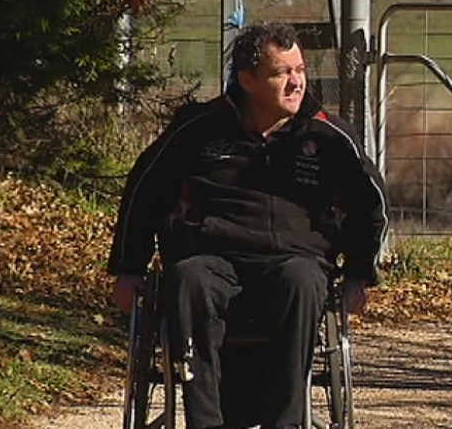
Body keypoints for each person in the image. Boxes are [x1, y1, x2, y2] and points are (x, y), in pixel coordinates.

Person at [107, 22, 389, 429]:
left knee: (303, 280)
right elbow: (144, 192)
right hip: (210, 256)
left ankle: (287, 423)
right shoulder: (199, 128)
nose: (296, 83)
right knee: (188, 279)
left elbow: (371, 203)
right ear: (247, 80)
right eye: (281, 73)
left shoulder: (327, 136)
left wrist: (360, 272)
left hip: (294, 258)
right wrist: (129, 269)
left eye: (300, 70)